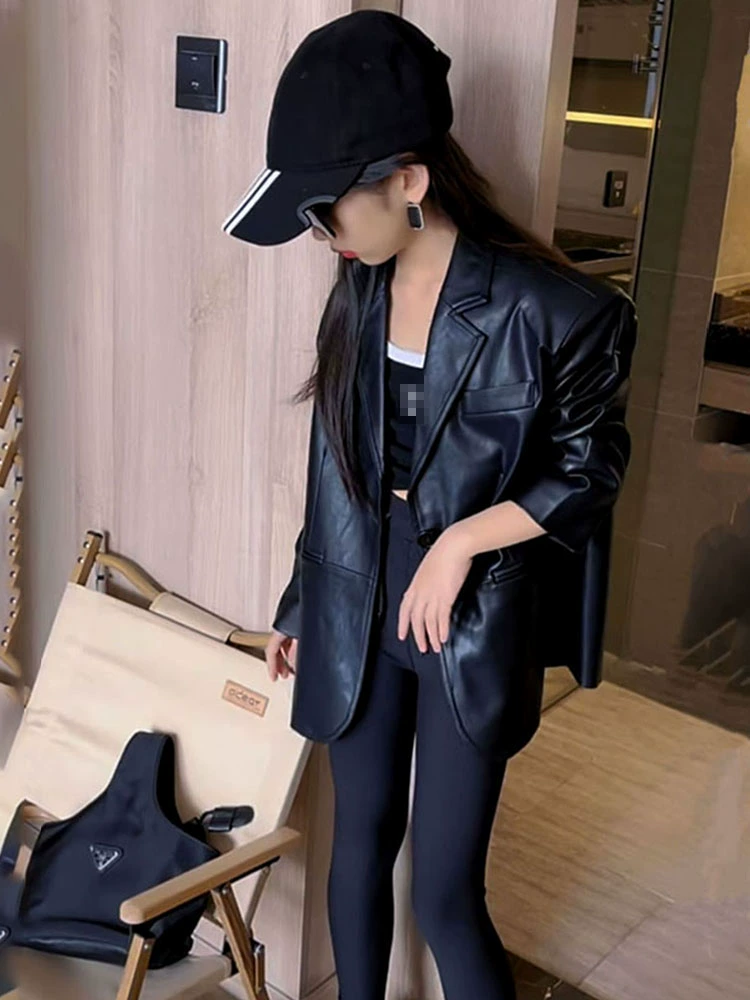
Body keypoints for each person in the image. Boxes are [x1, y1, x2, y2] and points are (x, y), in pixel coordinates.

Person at [223, 10, 637, 1000]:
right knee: (357, 848)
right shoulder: (359, 287)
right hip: (358, 590)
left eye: (327, 210)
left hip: (472, 604)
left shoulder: (556, 314)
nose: (320, 235)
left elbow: (589, 469)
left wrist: (460, 545)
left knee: (446, 891)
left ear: (408, 182)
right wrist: (301, 602)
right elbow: (338, 464)